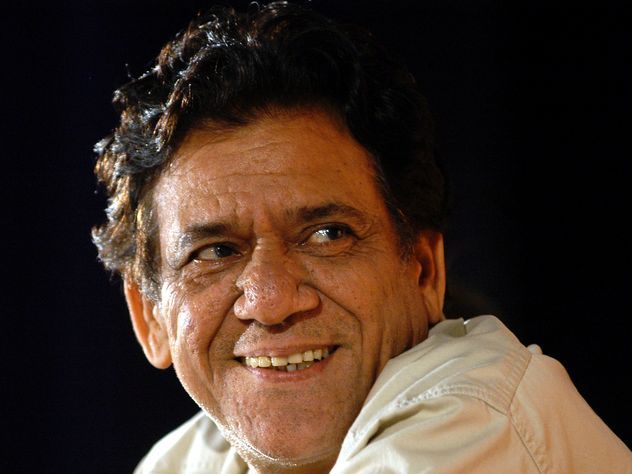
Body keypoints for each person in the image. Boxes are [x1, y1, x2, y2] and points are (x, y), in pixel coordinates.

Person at [92, 2, 630, 472]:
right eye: (215, 252)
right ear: (150, 318)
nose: (271, 301)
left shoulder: (474, 420)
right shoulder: (186, 460)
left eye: (327, 235)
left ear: (424, 272)